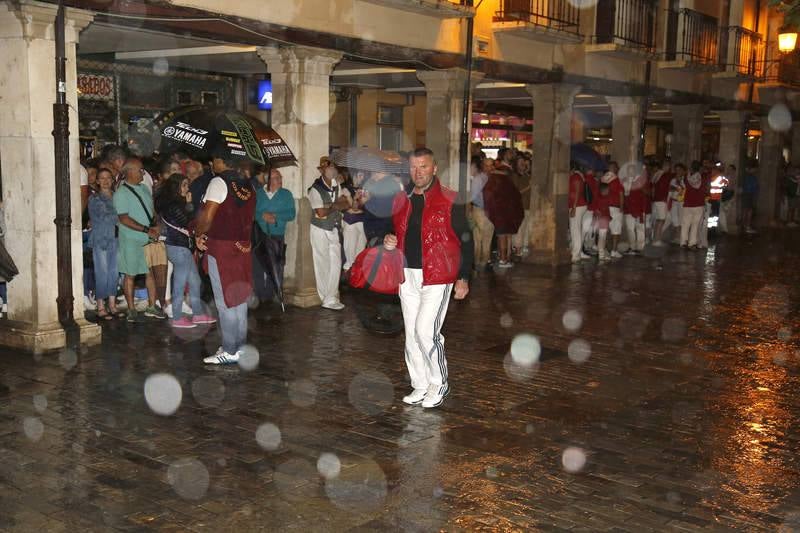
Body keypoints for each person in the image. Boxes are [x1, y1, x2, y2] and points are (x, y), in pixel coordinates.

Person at [384, 147, 473, 409]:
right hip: (406, 274)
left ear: (434, 168)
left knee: (426, 331)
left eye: (423, 166)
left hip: (437, 275)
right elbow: (395, 231)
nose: (418, 172)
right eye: (413, 167)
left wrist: (464, 277)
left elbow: (466, 240)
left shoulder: (449, 199)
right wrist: (389, 240)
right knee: (412, 333)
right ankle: (420, 384)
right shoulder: (402, 198)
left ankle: (439, 382)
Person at [195, 157, 256, 364]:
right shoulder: (248, 184)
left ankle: (229, 350)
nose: (212, 164)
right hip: (243, 248)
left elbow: (207, 217)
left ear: (221, 160)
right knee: (239, 299)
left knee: (225, 302)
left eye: (214, 160)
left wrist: (197, 232)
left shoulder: (218, 182)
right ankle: (238, 346)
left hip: (222, 248)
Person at [156, 173, 216, 329]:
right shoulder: (172, 205)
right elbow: (188, 222)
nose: (187, 188)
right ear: (176, 187)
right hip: (177, 247)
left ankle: (197, 314)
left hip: (183, 247)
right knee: (180, 282)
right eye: (184, 185)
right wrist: (189, 204)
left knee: (195, 281)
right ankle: (176, 317)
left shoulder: (178, 202)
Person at [113, 158, 163, 322]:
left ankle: (151, 306)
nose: (143, 173)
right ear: (130, 172)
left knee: (150, 273)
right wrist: (147, 230)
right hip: (131, 239)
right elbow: (124, 218)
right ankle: (131, 309)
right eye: (140, 170)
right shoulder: (121, 193)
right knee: (130, 274)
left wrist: (156, 225)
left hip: (147, 237)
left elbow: (152, 210)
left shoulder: (144, 188)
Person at [308, 156, 351, 310]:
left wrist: (333, 205)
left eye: (334, 167)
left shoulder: (336, 185)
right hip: (319, 229)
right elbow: (320, 212)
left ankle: (331, 296)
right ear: (322, 170)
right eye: (329, 168)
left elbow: (346, 203)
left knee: (336, 262)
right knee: (322, 264)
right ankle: (325, 298)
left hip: (333, 228)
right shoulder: (315, 189)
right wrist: (335, 205)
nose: (332, 170)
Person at [254, 168, 296, 303]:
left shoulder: (286, 194)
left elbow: (291, 214)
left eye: (280, 177)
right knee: (258, 266)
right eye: (276, 178)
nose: (280, 180)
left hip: (277, 235)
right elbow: (251, 212)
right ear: (268, 181)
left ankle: (274, 294)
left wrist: (276, 216)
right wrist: (262, 215)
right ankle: (260, 295)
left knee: (277, 266)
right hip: (259, 236)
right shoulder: (259, 194)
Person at [88, 168, 121, 320]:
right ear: (98, 181)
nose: (106, 181)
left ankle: (112, 304)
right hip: (101, 238)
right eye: (102, 178)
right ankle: (101, 305)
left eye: (108, 177)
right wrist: (123, 217)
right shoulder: (94, 199)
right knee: (102, 271)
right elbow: (106, 217)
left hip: (115, 238)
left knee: (114, 271)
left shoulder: (118, 196)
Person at [483, 148, 523, 267]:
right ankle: (503, 259)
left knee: (503, 235)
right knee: (502, 236)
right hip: (502, 211)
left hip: (500, 211)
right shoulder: (500, 179)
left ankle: (503, 258)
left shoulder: (495, 179)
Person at [468, 156, 493, 270]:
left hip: (489, 212)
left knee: (487, 239)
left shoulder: (491, 179)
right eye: (487, 165)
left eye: (491, 165)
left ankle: (482, 263)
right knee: (478, 240)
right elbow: (472, 197)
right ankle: (478, 263)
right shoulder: (479, 179)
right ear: (483, 166)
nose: (489, 168)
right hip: (480, 211)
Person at [341, 169, 368, 272]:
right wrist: (354, 199)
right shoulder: (345, 188)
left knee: (360, 253)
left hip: (362, 222)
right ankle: (348, 275)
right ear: (354, 175)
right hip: (350, 222)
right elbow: (352, 208)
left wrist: (358, 201)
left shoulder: (364, 188)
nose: (362, 177)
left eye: (363, 175)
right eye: (360, 175)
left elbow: (362, 208)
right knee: (350, 253)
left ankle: (356, 276)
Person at [568, 162, 590, 263]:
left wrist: (574, 207)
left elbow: (577, 192)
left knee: (575, 230)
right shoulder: (577, 176)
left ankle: (575, 254)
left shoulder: (575, 177)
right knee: (576, 229)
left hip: (578, 205)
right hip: (579, 205)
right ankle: (576, 252)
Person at [680, 161, 706, 249]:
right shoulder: (702, 177)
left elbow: (682, 187)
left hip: (687, 203)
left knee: (685, 224)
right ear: (700, 168)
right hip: (698, 204)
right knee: (695, 225)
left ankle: (683, 242)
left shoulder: (686, 178)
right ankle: (692, 243)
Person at [601, 164, 624, 258]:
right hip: (615, 207)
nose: (618, 169)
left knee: (604, 230)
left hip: (605, 207)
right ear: (614, 169)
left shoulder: (602, 179)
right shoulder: (617, 179)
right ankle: (614, 251)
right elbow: (621, 193)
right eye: (617, 168)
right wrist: (622, 207)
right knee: (616, 230)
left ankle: (604, 250)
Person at [624, 169, 649, 254]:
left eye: (632, 170)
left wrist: (640, 186)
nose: (631, 172)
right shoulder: (625, 181)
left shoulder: (642, 181)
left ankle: (640, 248)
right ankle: (632, 247)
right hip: (629, 209)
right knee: (630, 229)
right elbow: (624, 195)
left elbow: (648, 193)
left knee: (640, 229)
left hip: (640, 208)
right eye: (629, 171)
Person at [511, 155, 532, 257]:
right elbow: (515, 193)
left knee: (526, 228)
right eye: (520, 162)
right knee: (519, 228)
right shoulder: (515, 176)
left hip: (528, 206)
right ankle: (517, 248)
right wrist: (529, 187)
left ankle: (523, 246)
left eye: (523, 162)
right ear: (516, 164)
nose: (523, 164)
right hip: (519, 206)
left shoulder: (526, 175)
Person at [651, 159, 672, 245]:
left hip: (656, 199)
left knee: (658, 219)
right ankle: (657, 240)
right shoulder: (665, 175)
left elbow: (653, 186)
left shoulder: (657, 174)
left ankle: (655, 238)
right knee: (661, 220)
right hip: (661, 199)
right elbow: (666, 187)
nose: (669, 168)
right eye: (668, 166)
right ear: (665, 166)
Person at [667, 163, 687, 243]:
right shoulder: (673, 180)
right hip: (674, 201)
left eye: (679, 170)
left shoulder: (685, 180)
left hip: (682, 202)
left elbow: (684, 190)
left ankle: (681, 237)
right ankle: (677, 236)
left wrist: (678, 186)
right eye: (676, 170)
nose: (678, 172)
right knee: (675, 219)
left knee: (682, 219)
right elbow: (670, 189)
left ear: (683, 171)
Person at [594, 182, 613, 261]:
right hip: (603, 220)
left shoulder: (599, 198)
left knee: (602, 237)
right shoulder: (604, 199)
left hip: (602, 219)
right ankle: (601, 255)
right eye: (608, 190)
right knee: (602, 237)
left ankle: (601, 252)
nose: (609, 191)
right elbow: (602, 210)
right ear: (604, 190)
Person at [741, 161, 759, 234]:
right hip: (749, 194)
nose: (755, 171)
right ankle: (747, 226)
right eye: (754, 169)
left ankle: (744, 225)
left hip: (748, 194)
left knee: (746, 210)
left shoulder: (747, 176)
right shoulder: (750, 176)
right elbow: (751, 186)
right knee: (748, 210)